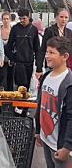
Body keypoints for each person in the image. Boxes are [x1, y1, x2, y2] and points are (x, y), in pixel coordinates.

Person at [35, 36, 72, 168]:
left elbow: (70, 118)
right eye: (46, 52)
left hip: (60, 147)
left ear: (65, 56)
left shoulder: (68, 83)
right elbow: (40, 106)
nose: (47, 56)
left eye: (52, 53)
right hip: (46, 140)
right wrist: (38, 131)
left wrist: (67, 147)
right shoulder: (46, 77)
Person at [5, 8, 40, 89]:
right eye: (20, 18)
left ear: (28, 17)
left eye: (24, 18)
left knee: (27, 86)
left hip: (29, 62)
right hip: (19, 62)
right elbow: (8, 46)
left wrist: (39, 66)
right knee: (21, 85)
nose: (22, 20)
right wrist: (13, 58)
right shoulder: (15, 28)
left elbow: (37, 48)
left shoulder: (34, 29)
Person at [36, 9, 72, 79]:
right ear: (56, 17)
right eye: (61, 17)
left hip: (65, 65)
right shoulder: (49, 31)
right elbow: (43, 49)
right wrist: (39, 68)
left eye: (66, 17)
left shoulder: (69, 32)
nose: (64, 19)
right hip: (53, 64)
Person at [0, 12, 15, 91]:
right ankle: (2, 92)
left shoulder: (13, 30)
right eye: (4, 19)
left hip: (10, 56)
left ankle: (10, 93)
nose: (5, 20)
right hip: (1, 56)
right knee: (1, 75)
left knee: (10, 76)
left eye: (7, 19)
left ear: (10, 20)